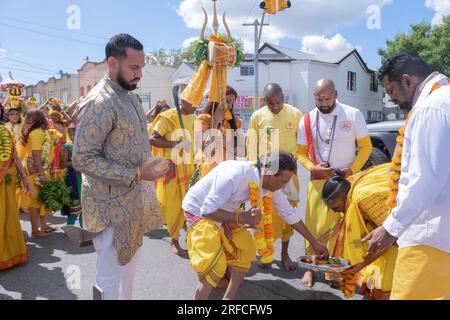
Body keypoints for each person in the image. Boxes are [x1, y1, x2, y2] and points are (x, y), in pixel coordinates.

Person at [72, 34, 168, 300]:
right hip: (110, 209)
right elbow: (82, 158)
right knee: (110, 279)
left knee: (129, 271)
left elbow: (128, 143)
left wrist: (150, 162)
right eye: (134, 68)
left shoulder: (130, 96)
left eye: (142, 67)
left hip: (133, 205)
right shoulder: (99, 102)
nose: (140, 74)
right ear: (112, 63)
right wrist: (137, 172)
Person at [182, 152, 329, 300]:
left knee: (246, 251)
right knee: (215, 267)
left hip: (226, 211)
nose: (284, 186)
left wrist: (313, 242)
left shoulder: (270, 185)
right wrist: (241, 218)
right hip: (198, 211)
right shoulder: (234, 175)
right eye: (283, 181)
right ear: (270, 175)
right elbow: (207, 211)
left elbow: (289, 213)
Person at [364, 52, 450, 300]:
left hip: (429, 237)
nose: (390, 98)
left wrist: (390, 228)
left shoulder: (431, 107)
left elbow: (424, 179)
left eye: (391, 89)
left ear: (408, 81)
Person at [296, 78, 373, 287]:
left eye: (327, 98)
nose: (322, 103)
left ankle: (334, 272)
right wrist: (311, 167)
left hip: (345, 182)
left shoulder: (353, 114)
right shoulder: (307, 119)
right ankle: (311, 269)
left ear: (336, 95)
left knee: (341, 227)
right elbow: (299, 153)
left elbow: (366, 147)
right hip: (318, 181)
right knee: (313, 227)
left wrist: (352, 169)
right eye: (318, 98)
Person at [247, 83, 303, 271]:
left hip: (289, 174)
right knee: (264, 215)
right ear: (264, 101)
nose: (276, 106)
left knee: (288, 214)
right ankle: (265, 254)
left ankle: (284, 254)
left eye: (279, 102)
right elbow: (251, 147)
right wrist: (255, 176)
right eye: (272, 103)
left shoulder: (295, 114)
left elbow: (302, 145)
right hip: (267, 175)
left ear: (283, 98)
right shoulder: (257, 116)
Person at [322, 164, 398, 299]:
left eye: (336, 207)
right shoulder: (349, 184)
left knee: (383, 287)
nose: (335, 211)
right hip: (391, 231)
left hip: (401, 238)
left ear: (345, 197)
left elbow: (389, 236)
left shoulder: (364, 199)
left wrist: (361, 264)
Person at [149, 90, 197, 256]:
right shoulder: (168, 117)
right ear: (183, 101)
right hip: (172, 169)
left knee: (193, 205)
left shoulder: (195, 118)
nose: (196, 106)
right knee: (174, 206)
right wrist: (173, 144)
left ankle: (192, 239)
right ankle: (174, 240)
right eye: (193, 102)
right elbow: (152, 138)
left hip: (191, 169)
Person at [0, 103, 30, 270]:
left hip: (6, 178)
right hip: (8, 176)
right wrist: (24, 177)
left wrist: (24, 177)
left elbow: (15, 156)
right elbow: (16, 157)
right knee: (8, 214)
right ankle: (11, 252)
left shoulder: (6, 133)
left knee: (7, 214)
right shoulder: (7, 132)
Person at [18, 110, 55, 237]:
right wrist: (42, 173)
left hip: (33, 166)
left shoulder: (32, 132)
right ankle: (35, 230)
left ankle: (43, 225)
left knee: (41, 198)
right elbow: (36, 154)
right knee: (34, 200)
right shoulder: (38, 133)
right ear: (40, 119)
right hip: (37, 168)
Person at [61, 124, 82, 227]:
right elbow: (64, 163)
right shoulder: (67, 146)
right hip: (73, 176)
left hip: (83, 175)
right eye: (71, 134)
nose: (73, 136)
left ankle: (84, 227)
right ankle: (69, 226)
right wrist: (76, 163)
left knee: (85, 202)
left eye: (75, 134)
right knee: (74, 201)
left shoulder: (84, 145)